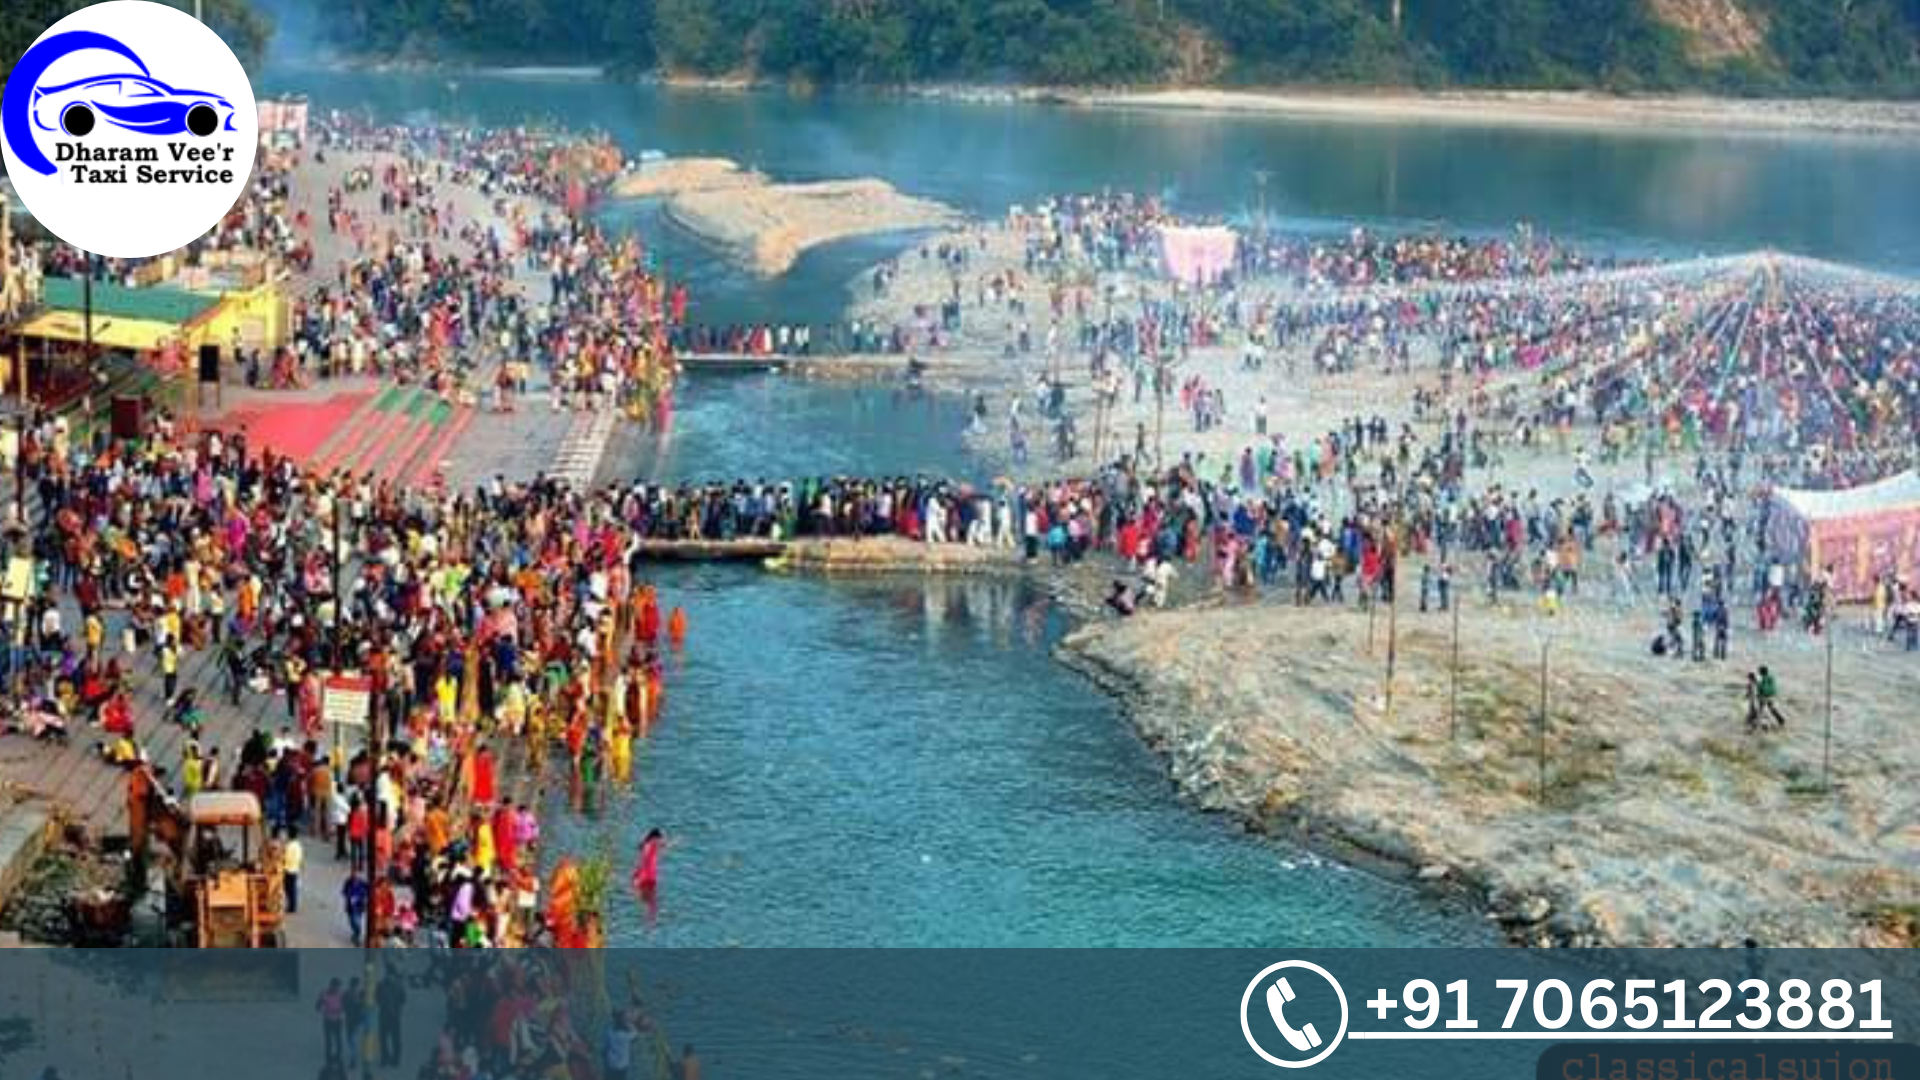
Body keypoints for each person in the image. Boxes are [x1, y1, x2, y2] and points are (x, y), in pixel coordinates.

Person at [376, 966, 407, 1067]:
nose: (389, 976)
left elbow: (403, 999)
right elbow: (377, 997)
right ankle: (385, 1057)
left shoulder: (397, 985)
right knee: (384, 1038)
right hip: (386, 1015)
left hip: (393, 1015)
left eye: (390, 974)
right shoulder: (382, 985)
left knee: (395, 1039)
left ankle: (395, 1059)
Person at [317, 978, 347, 1064]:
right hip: (328, 1021)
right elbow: (318, 1007)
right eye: (337, 986)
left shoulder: (340, 995)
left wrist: (340, 1009)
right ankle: (328, 1058)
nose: (338, 988)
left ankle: (338, 1056)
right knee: (329, 1041)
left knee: (338, 1041)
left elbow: (344, 1007)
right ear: (332, 985)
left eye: (338, 986)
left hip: (338, 1020)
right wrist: (320, 1000)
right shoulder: (325, 994)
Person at [342, 868, 370, 945]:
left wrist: (360, 897)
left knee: (357, 922)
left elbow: (368, 891)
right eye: (353, 874)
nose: (355, 875)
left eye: (357, 874)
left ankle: (357, 937)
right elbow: (344, 891)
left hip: (359, 906)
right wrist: (349, 896)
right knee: (351, 922)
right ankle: (355, 933)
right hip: (350, 906)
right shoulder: (348, 882)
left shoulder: (363, 883)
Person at [282, 828, 303, 915]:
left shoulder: (289, 846)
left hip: (288, 869)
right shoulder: (298, 845)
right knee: (292, 888)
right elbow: (300, 857)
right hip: (295, 869)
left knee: (289, 889)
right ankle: (292, 905)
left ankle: (292, 906)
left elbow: (286, 858)